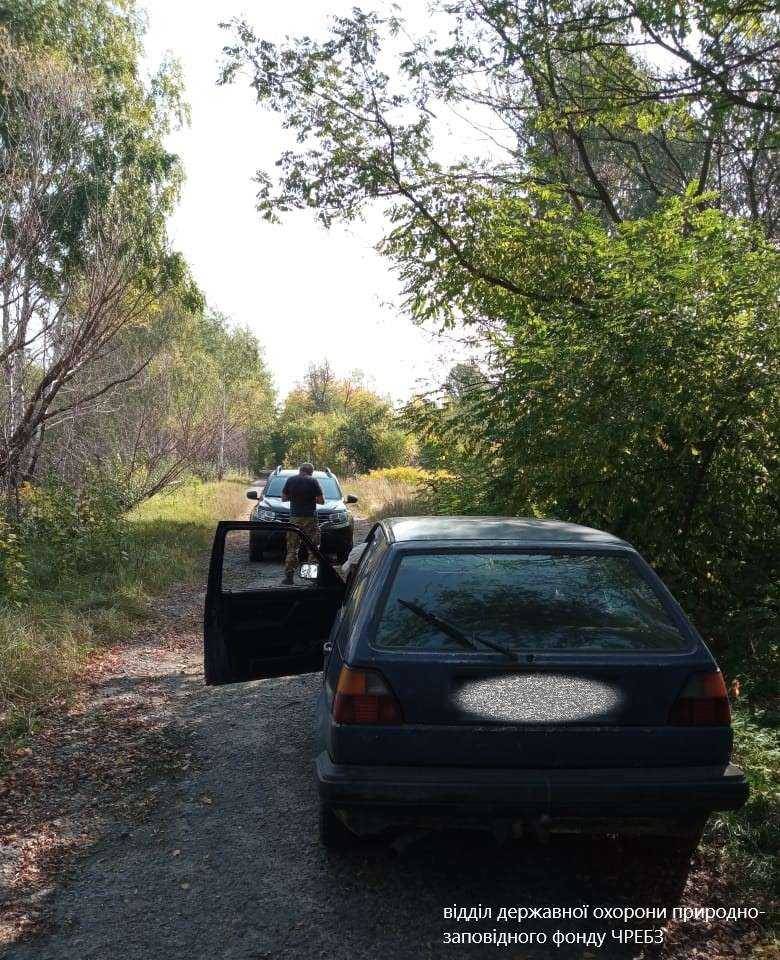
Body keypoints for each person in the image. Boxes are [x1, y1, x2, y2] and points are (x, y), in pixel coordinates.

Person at [281, 463, 324, 584]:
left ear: (300, 470)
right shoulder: (313, 481)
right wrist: (311, 498)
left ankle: (289, 577)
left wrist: (295, 497)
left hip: (294, 519)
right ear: (311, 472)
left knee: (292, 549)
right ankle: (309, 577)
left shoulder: (290, 480)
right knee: (313, 548)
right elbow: (321, 501)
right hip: (310, 519)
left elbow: (284, 498)